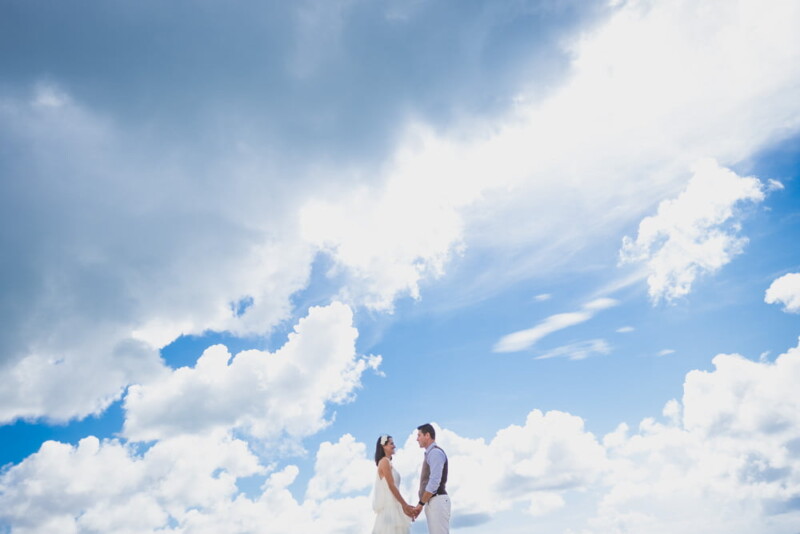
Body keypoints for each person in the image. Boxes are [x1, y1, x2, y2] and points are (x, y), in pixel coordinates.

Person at [411, 423, 451, 534]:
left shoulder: (435, 453)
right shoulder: (431, 453)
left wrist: (420, 504)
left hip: (437, 500)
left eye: (419, 435)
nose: (417, 439)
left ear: (427, 435)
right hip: (433, 502)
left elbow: (434, 481)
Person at [372, 434, 414, 534]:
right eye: (391, 444)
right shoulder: (384, 462)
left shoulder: (388, 463)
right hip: (389, 511)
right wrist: (405, 505)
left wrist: (403, 507)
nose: (394, 446)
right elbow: (391, 485)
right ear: (384, 446)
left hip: (395, 507)